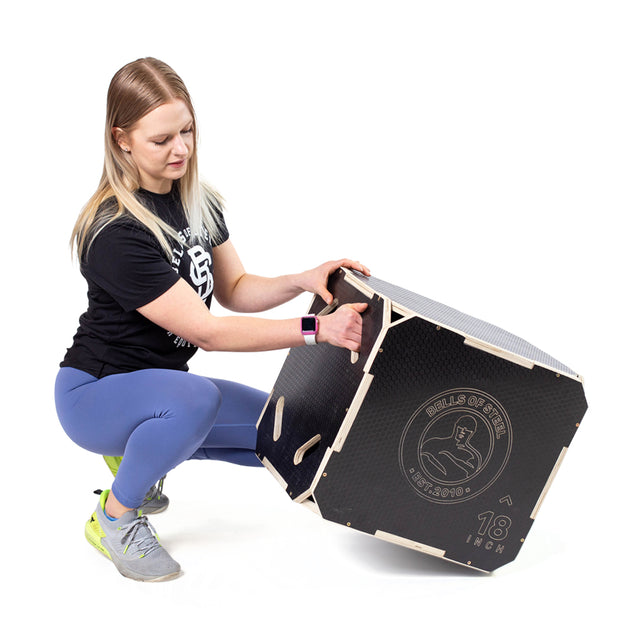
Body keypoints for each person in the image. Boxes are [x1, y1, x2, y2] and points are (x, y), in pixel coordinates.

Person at [54, 57, 369, 583]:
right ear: (122, 139)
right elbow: (207, 331)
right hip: (95, 395)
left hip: (161, 392)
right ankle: (114, 517)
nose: (181, 149)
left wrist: (302, 279)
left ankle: (141, 455)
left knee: (288, 437)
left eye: (188, 131)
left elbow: (236, 292)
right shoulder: (115, 232)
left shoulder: (199, 202)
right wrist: (317, 330)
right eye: (162, 140)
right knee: (197, 399)